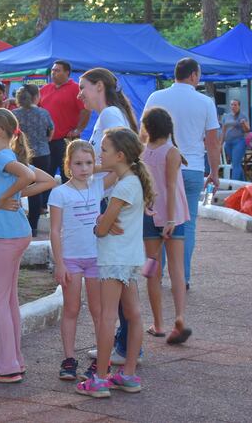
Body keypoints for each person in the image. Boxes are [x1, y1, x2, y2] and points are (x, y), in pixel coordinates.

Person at [0, 108, 56, 383]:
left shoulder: (2, 156)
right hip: (16, 234)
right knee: (8, 300)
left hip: (10, 237)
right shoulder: (8, 156)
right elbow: (49, 180)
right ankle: (11, 358)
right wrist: (15, 192)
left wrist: (4, 198)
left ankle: (6, 363)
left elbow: (30, 178)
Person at [76, 128, 151, 399]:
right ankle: (128, 374)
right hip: (128, 258)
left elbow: (104, 226)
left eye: (104, 150)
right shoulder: (132, 181)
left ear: (119, 155)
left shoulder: (124, 185)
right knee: (133, 314)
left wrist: (98, 223)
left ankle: (100, 378)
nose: (100, 154)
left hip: (114, 259)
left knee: (109, 317)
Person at [77, 67, 140, 372]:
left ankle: (124, 349)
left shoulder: (111, 117)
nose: (80, 94)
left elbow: (118, 165)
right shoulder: (111, 115)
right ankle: (125, 347)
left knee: (118, 283)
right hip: (113, 202)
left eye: (83, 87)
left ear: (99, 86)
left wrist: (89, 196)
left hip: (113, 204)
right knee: (123, 283)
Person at [143, 58, 221, 290]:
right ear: (194, 76)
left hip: (155, 167)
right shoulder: (205, 102)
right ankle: (182, 277)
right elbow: (213, 142)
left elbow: (143, 135)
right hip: (191, 168)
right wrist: (214, 171)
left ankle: (155, 275)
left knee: (155, 222)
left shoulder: (155, 97)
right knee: (186, 224)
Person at [49, 140, 116, 381]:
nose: (84, 168)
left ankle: (102, 358)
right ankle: (68, 358)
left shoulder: (97, 186)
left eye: (88, 162)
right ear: (68, 165)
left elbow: (117, 168)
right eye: (78, 163)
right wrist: (60, 263)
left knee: (99, 312)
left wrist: (95, 168)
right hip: (71, 260)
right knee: (72, 309)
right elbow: (55, 231)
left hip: (97, 259)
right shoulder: (59, 193)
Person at [140, 107, 193, 345]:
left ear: (147, 127)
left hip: (149, 213)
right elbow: (171, 187)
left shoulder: (141, 153)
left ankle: (158, 323)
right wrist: (171, 219)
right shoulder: (171, 152)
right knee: (177, 270)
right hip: (173, 216)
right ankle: (179, 317)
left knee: (153, 270)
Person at [39, 61, 91, 186]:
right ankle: (44, 205)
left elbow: (86, 110)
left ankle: (70, 204)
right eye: (52, 70)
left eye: (57, 70)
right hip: (47, 141)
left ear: (67, 72)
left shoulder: (75, 88)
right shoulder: (45, 89)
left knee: (67, 174)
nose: (53, 73)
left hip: (66, 140)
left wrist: (78, 129)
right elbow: (35, 107)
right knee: (45, 175)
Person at [13, 84, 55, 236]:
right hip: (43, 153)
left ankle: (17, 223)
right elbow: (51, 132)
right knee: (36, 191)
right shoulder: (43, 113)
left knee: (17, 188)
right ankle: (33, 226)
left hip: (22, 156)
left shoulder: (15, 114)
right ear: (36, 96)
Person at [220, 99, 249, 181]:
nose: (233, 106)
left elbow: (247, 130)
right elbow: (223, 131)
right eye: (232, 104)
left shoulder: (242, 116)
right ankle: (243, 183)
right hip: (228, 143)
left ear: (239, 106)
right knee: (236, 164)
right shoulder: (226, 116)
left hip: (239, 142)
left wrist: (243, 123)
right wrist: (220, 144)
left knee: (235, 164)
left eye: (235, 105)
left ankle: (233, 184)